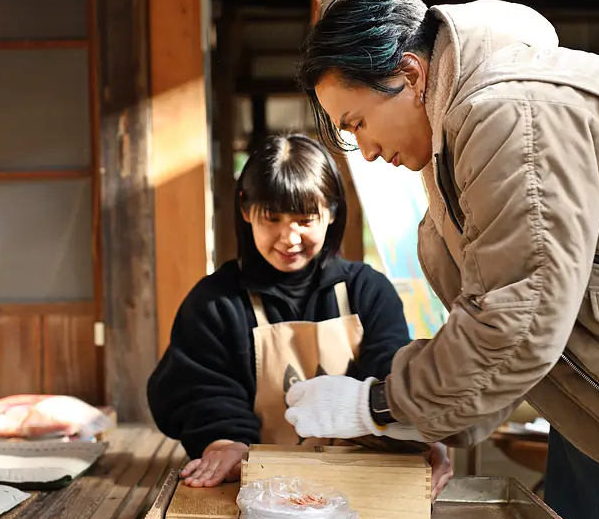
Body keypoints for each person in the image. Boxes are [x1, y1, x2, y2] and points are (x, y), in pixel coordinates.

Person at [283, 0, 599, 519]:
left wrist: (377, 403)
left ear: (411, 75)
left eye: (357, 124)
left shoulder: (511, 115)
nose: (367, 151)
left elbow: (515, 322)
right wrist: (417, 423)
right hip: (597, 399)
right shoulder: (454, 139)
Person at [147, 132, 454, 494]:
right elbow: (202, 389)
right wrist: (224, 442)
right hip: (251, 484)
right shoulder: (214, 302)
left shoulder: (367, 291)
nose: (289, 237)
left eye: (305, 218)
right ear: (246, 209)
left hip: (354, 481)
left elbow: (389, 373)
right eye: (272, 218)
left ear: (332, 211)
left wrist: (416, 431)